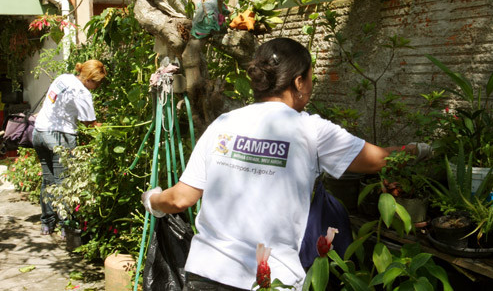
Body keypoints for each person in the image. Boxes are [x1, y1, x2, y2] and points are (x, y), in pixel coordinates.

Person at [142, 38, 430, 290]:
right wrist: (422, 150)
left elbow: (180, 199)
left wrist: (153, 200)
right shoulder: (312, 131)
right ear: (298, 82)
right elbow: (380, 159)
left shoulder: (224, 125)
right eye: (311, 78)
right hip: (271, 280)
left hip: (206, 274)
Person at [33, 59, 107, 236]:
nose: (98, 86)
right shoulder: (82, 92)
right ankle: (67, 227)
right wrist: (106, 127)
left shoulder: (63, 78)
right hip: (60, 137)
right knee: (64, 182)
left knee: (48, 180)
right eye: (98, 82)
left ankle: (47, 224)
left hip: (39, 132)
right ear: (90, 79)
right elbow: (89, 122)